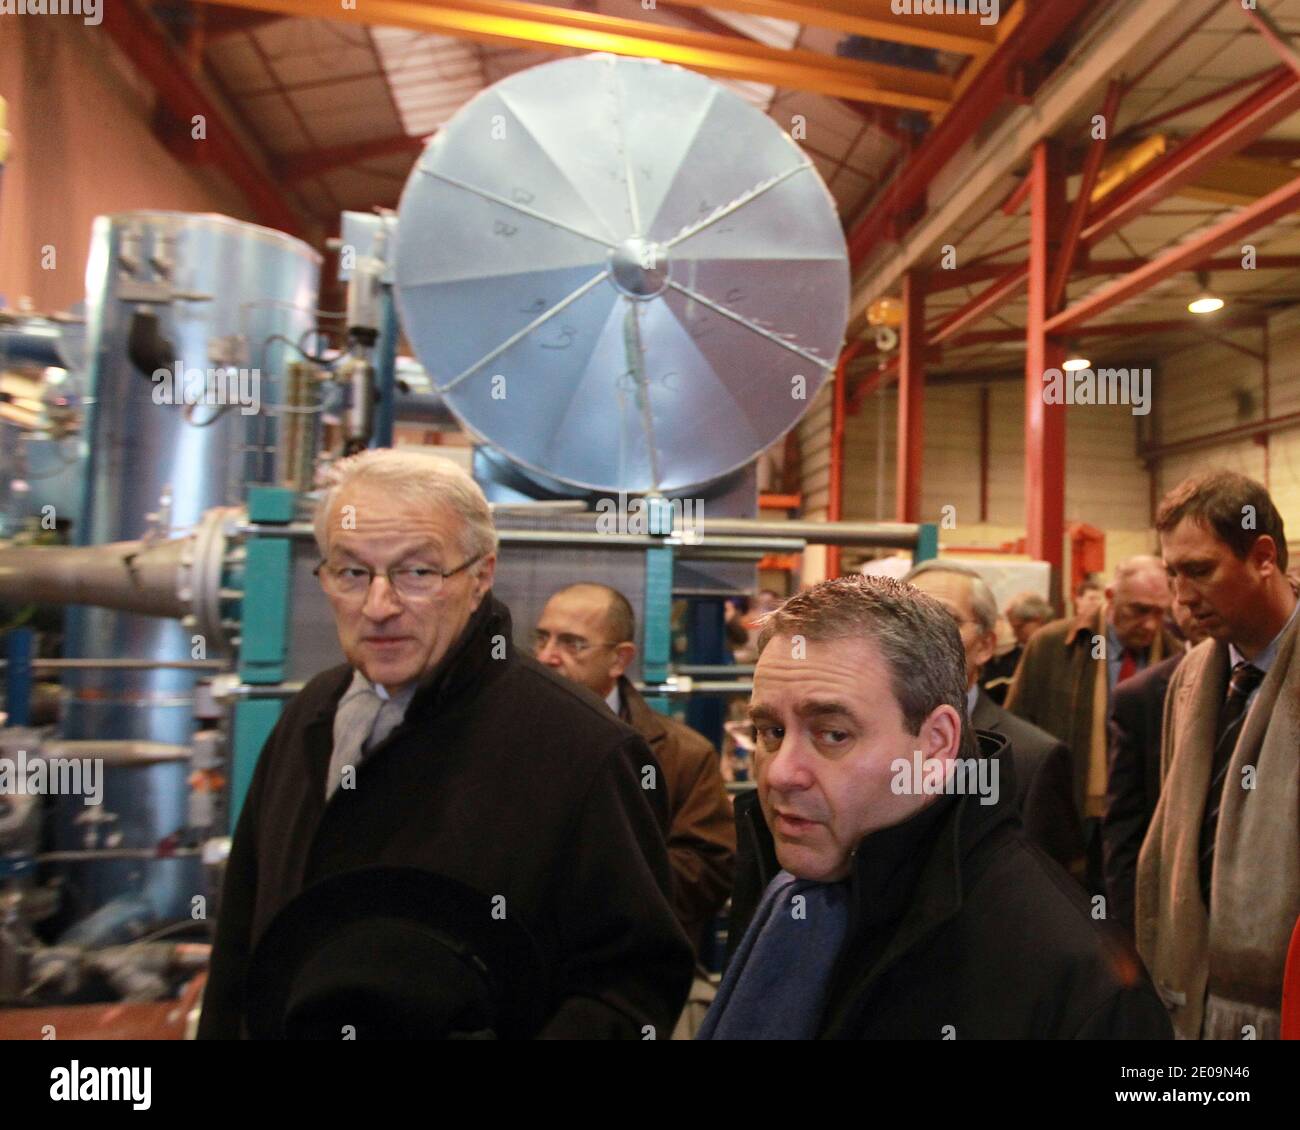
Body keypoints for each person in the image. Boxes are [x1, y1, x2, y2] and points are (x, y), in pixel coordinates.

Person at [199, 450, 692, 1039]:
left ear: (481, 576)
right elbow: (240, 945)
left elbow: (632, 989)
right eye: (352, 572)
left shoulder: (581, 752)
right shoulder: (310, 717)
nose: (378, 607)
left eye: (417, 573)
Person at [699, 575, 1171, 1039]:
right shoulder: (787, 890)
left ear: (936, 743)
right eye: (771, 732)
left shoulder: (1085, 986)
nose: (781, 773)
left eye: (833, 734)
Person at [1139, 470, 1299, 1040]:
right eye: (1172, 574)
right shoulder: (1189, 680)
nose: (1181, 598)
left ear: (1262, 556)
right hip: (1191, 1006)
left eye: (1200, 571)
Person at [534, 582, 735, 956]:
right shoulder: (505, 734)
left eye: (572, 643)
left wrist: (592, 890)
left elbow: (709, 869)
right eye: (542, 638)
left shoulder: (682, 755)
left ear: (620, 659)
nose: (547, 657)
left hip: (628, 967)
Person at [1005, 556, 1177, 894]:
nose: (1150, 625)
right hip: (1069, 813)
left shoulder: (1174, 657)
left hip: (1141, 820)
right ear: (1111, 598)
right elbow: (1016, 731)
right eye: (1139, 610)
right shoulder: (1053, 646)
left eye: (1160, 612)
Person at [904, 561, 1082, 871]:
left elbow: (1048, 897)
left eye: (944, 619)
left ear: (985, 646)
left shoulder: (1031, 760)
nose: (921, 636)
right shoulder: (859, 741)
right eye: (907, 619)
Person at [1102, 600, 1209, 935]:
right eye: (1180, 578)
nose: (1194, 598)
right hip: (1173, 919)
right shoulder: (1143, 695)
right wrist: (1134, 931)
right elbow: (1125, 828)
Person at [980, 591, 1053, 704]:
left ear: (1038, 620)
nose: (1015, 635)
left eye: (1018, 628)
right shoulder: (1023, 651)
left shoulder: (1056, 649)